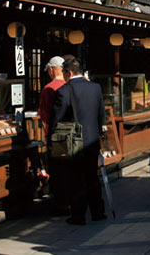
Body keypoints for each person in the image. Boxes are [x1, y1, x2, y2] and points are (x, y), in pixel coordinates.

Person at [49, 57, 106, 225]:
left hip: (74, 141)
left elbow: (56, 119)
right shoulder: (95, 88)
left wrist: (51, 137)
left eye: (64, 73)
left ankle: (78, 215)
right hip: (93, 138)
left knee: (75, 178)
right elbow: (101, 113)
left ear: (69, 72)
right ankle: (97, 212)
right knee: (92, 176)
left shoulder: (64, 91)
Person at [38, 56, 68, 215]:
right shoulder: (70, 86)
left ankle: (61, 204)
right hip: (74, 133)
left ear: (51, 69)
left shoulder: (48, 88)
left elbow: (44, 115)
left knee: (58, 169)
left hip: (55, 135)